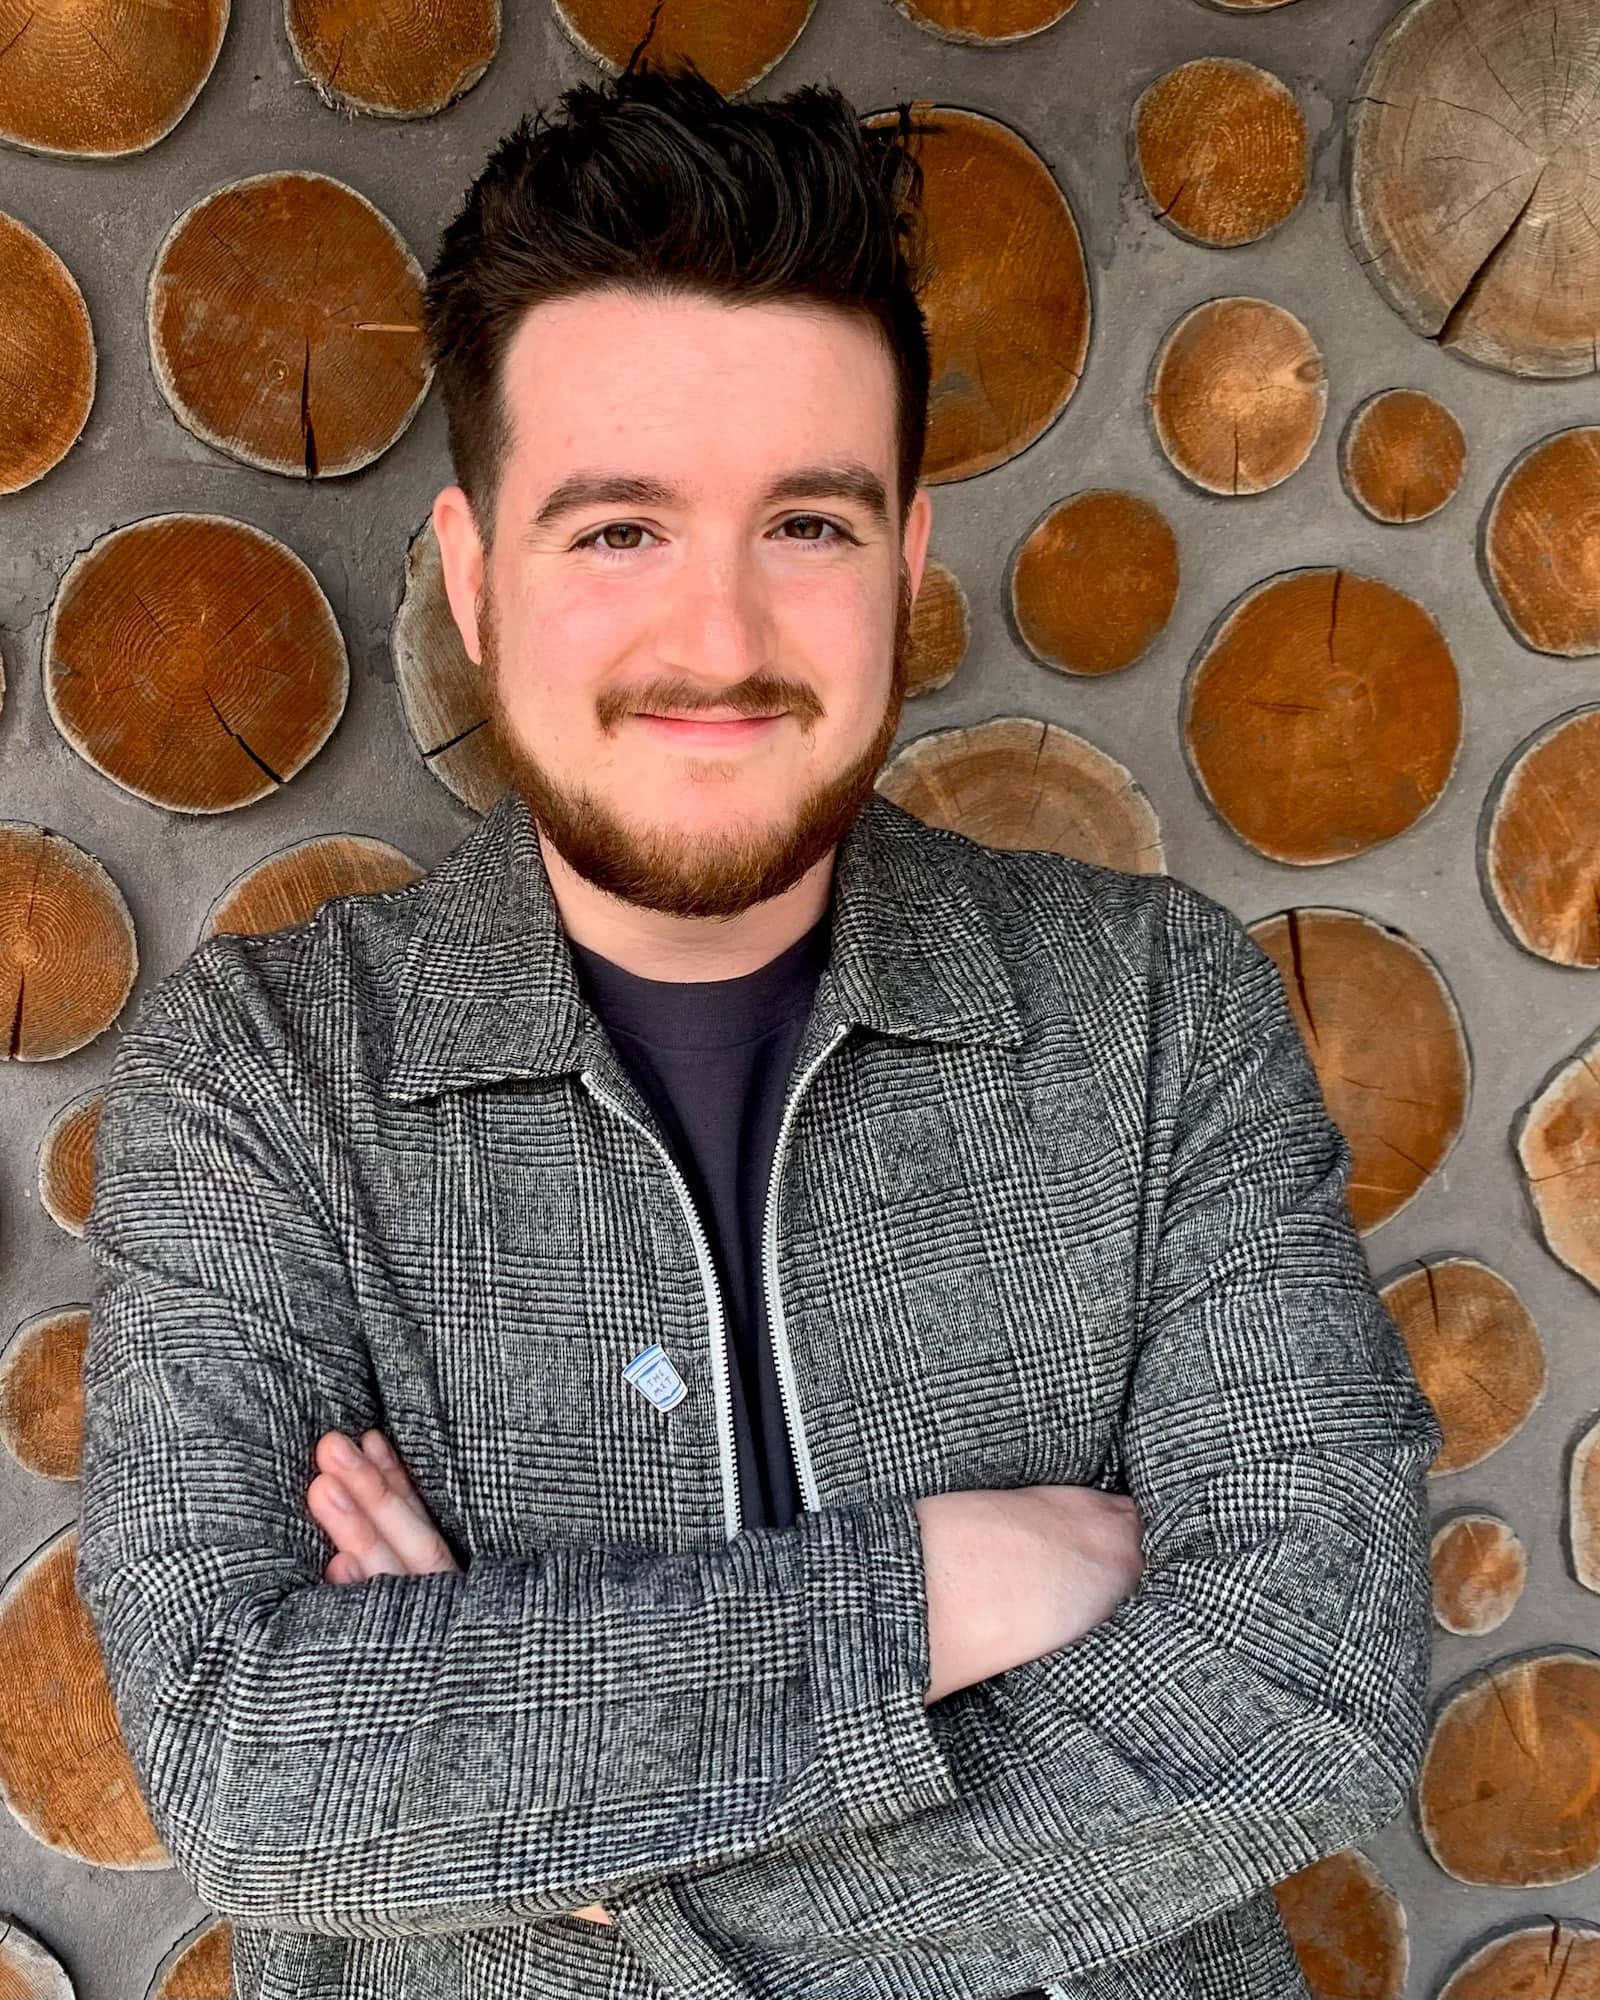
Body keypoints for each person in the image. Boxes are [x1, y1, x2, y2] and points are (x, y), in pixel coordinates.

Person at [76, 49, 1444, 2000]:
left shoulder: (1156, 1017)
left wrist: (546, 1844)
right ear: (475, 579)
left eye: (801, 525)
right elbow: (241, 1759)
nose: (715, 637)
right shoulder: (270, 1080)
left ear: (902, 559)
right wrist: (929, 1589)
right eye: (616, 527)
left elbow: (1302, 1672)